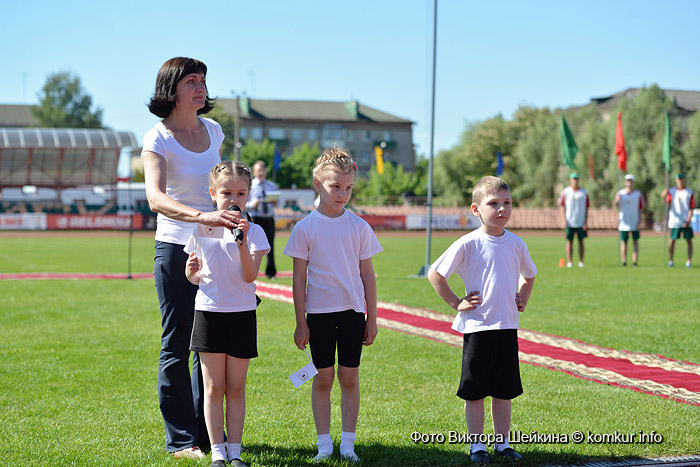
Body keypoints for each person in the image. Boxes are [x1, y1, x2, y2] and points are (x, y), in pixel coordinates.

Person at [142, 57, 239, 459]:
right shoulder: (157, 137)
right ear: (171, 88)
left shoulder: (214, 130)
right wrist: (203, 216)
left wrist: (234, 217)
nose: (200, 87)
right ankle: (181, 440)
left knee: (210, 345)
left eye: (203, 80)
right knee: (177, 344)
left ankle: (209, 437)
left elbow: (224, 186)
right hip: (175, 249)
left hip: (217, 249)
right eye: (191, 81)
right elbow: (155, 198)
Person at [428, 176, 536, 464]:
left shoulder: (516, 243)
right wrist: (456, 302)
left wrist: (523, 295)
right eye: (493, 204)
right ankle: (477, 446)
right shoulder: (469, 242)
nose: (502, 209)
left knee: (504, 391)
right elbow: (435, 274)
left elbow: (530, 274)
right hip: (477, 328)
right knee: (475, 392)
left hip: (506, 327)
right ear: (476, 210)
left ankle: (503, 443)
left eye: (507, 203)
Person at [283, 147, 382, 462]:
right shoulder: (304, 228)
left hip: (353, 314)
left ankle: (348, 444)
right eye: (335, 186)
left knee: (349, 377)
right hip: (319, 316)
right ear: (317, 184)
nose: (343, 193)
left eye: (348, 188)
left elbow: (368, 275)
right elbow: (298, 280)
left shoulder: (358, 227)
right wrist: (301, 322)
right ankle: (324, 444)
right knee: (323, 377)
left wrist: (372, 319)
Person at [184, 161, 270, 467]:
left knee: (235, 387)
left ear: (247, 195)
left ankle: (235, 453)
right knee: (213, 387)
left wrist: (243, 242)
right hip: (208, 313)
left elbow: (249, 276)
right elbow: (193, 274)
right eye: (226, 192)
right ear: (212, 193)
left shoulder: (256, 232)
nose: (234, 198)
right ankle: (217, 453)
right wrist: (191, 273)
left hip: (242, 314)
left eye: (241, 193)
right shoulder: (201, 227)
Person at [247, 161, 278, 279]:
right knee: (252, 245)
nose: (261, 173)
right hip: (255, 217)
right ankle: (249, 270)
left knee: (270, 245)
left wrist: (274, 201)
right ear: (254, 172)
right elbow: (245, 204)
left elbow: (277, 201)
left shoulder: (271, 185)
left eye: (262, 170)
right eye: (258, 170)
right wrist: (252, 204)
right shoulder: (250, 185)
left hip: (268, 218)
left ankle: (271, 272)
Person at [662, 173, 695, 268]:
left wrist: (688, 220)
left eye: (681, 179)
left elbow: (691, 207)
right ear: (676, 180)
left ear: (684, 180)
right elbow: (666, 204)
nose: (680, 181)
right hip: (674, 221)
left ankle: (689, 261)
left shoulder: (689, 192)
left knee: (689, 241)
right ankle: (671, 261)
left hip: (685, 221)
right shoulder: (672, 192)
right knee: (672, 241)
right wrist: (663, 195)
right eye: (678, 179)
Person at [614, 174, 646, 267]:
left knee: (635, 242)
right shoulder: (620, 193)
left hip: (634, 221)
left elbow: (641, 208)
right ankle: (624, 261)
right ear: (625, 182)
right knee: (624, 242)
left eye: (630, 181)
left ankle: (634, 261)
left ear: (633, 183)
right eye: (627, 180)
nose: (629, 182)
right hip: (624, 222)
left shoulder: (638, 194)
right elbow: (615, 206)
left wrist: (639, 221)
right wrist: (617, 201)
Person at [558, 173, 589, 268]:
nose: (575, 180)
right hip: (569, 221)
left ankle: (581, 261)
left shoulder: (584, 192)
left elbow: (587, 207)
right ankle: (569, 262)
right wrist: (563, 220)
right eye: (573, 179)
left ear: (578, 180)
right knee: (569, 241)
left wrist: (585, 222)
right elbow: (562, 206)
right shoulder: (566, 191)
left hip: (580, 221)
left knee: (581, 241)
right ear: (570, 180)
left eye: (576, 179)